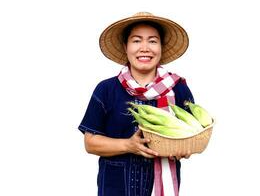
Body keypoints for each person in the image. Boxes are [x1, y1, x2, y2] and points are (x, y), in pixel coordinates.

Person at [78, 12, 195, 196]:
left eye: (153, 41)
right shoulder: (106, 89)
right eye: (137, 40)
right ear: (126, 47)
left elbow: (192, 135)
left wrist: (184, 148)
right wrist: (128, 145)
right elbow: (90, 143)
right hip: (114, 189)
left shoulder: (178, 89)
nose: (145, 48)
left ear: (161, 48)